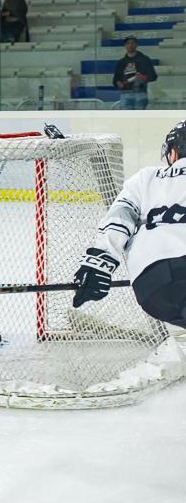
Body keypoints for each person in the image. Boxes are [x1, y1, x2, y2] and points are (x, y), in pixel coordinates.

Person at [73, 122, 186, 346]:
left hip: (153, 282)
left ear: (173, 152)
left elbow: (120, 217)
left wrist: (99, 263)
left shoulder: (146, 177)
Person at [113, 35, 157, 110]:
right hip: (125, 94)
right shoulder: (121, 62)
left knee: (138, 116)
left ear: (136, 45)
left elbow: (153, 76)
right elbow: (115, 79)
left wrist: (143, 78)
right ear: (125, 45)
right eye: (128, 43)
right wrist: (118, 83)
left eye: (132, 43)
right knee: (126, 117)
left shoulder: (144, 59)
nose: (130, 45)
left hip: (140, 93)